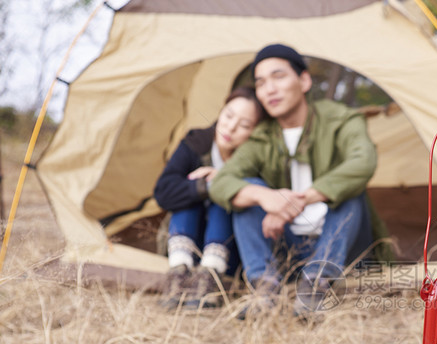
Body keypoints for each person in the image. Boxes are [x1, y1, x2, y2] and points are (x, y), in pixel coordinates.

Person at [209, 44, 388, 317]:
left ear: (304, 81)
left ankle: (316, 285)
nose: (269, 89)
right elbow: (222, 182)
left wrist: (300, 200)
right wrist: (264, 197)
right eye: (260, 83)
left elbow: (363, 162)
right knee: (246, 188)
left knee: (350, 191)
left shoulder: (340, 119)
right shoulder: (262, 136)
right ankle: (265, 290)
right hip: (290, 248)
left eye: (278, 77)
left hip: (344, 247)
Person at [154, 87, 264, 308]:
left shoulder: (254, 159)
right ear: (221, 111)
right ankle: (178, 274)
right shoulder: (197, 142)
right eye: (228, 115)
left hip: (227, 256)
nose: (230, 127)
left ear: (255, 131)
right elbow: (163, 192)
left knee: (225, 196)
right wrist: (203, 186)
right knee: (190, 195)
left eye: (243, 125)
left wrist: (221, 182)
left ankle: (210, 279)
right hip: (183, 243)